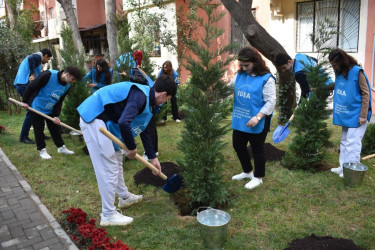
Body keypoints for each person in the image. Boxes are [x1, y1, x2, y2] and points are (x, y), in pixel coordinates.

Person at [77, 74, 177, 226]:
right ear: (163, 95)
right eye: (167, 99)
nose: (165, 102)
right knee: (108, 169)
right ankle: (108, 214)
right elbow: (124, 122)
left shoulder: (149, 101)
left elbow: (145, 129)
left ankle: (123, 197)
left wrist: (153, 158)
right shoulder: (140, 96)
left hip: (107, 123)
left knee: (117, 161)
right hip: (94, 118)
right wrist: (132, 148)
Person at [231, 47, 276, 190]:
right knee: (238, 145)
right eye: (242, 65)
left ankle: (258, 177)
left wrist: (258, 117)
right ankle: (247, 171)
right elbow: (230, 88)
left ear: (255, 62)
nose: (243, 68)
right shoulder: (240, 75)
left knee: (257, 149)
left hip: (259, 118)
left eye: (247, 65)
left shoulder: (266, 79)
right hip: (241, 117)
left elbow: (271, 102)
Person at [20, 66, 82, 159]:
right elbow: (31, 87)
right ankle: (42, 150)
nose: (73, 82)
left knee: (54, 128)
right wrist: (25, 101)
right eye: (73, 79)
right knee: (39, 128)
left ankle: (61, 147)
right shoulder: (48, 75)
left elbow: (59, 101)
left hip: (50, 108)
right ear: (67, 74)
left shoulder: (67, 86)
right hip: (37, 106)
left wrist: (56, 115)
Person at [328, 49, 372, 178]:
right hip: (346, 113)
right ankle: (342, 167)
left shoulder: (357, 72)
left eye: (335, 65)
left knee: (353, 142)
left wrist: (363, 115)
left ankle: (351, 170)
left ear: (342, 61)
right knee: (344, 140)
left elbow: (366, 93)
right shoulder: (340, 72)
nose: (334, 67)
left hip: (357, 114)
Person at [14, 49, 52, 144]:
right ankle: (23, 137)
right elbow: (31, 59)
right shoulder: (36, 56)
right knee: (31, 111)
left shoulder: (38, 62)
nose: (47, 61)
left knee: (38, 110)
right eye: (48, 59)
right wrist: (33, 74)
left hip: (24, 85)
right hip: (23, 85)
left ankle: (40, 134)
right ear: (45, 55)